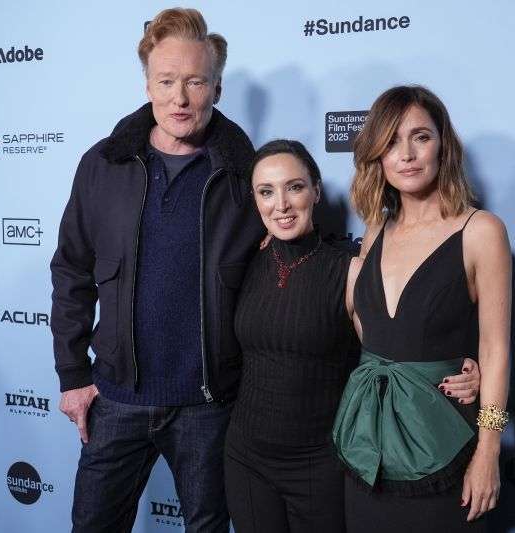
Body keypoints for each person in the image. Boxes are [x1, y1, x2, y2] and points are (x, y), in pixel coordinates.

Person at [49, 8, 263, 532]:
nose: (180, 98)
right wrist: (73, 376)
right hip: (117, 397)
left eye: (195, 82)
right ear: (147, 84)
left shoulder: (247, 175)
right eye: (167, 81)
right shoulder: (103, 164)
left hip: (208, 405)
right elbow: (71, 272)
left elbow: (279, 280)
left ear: (216, 86)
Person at [223, 140, 482, 533]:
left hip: (320, 461)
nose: (281, 205)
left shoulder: (350, 268)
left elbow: (394, 348)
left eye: (294, 187)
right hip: (245, 458)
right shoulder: (245, 260)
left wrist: (457, 370)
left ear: (316, 190)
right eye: (266, 191)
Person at [334, 85, 511, 532]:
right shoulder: (375, 228)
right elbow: (373, 335)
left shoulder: (480, 230)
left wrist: (489, 450)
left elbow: (495, 349)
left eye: (421, 137)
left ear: (442, 145)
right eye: (391, 141)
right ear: (377, 154)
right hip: (366, 446)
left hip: (443, 445)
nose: (407, 154)